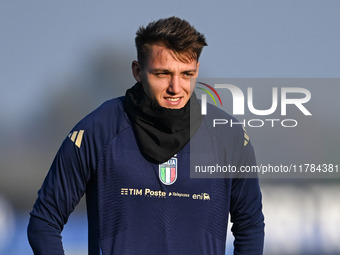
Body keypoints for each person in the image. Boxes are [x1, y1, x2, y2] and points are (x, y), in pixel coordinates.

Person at [28, 16, 264, 255]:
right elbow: (44, 222)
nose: (176, 87)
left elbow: (250, 227)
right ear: (138, 71)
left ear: (197, 71)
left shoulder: (228, 136)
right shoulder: (97, 130)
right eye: (163, 74)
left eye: (186, 74)